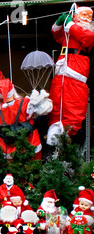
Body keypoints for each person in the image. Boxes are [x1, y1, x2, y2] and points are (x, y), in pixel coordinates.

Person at [47, 6, 94, 145]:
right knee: (56, 107)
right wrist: (59, 22)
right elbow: (57, 34)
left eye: (88, 16)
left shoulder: (88, 35)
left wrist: (69, 23)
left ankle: (69, 142)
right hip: (61, 76)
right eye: (83, 15)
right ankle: (53, 144)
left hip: (75, 75)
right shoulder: (69, 33)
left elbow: (82, 34)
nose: (86, 19)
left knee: (72, 109)